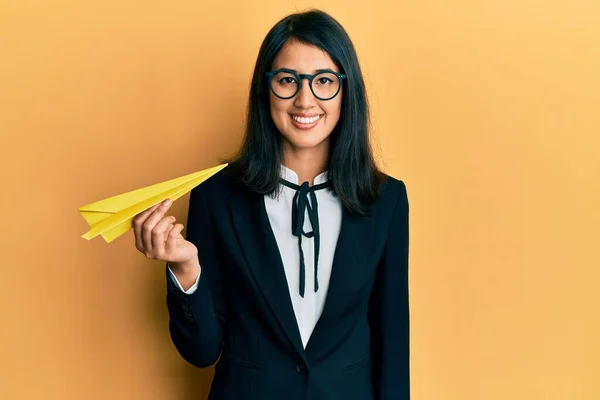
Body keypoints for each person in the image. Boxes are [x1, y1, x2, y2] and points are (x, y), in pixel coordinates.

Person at [132, 9, 410, 400]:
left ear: (347, 90)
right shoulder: (217, 197)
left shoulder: (387, 200)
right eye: (287, 80)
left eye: (324, 81)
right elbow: (201, 352)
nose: (304, 99)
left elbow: (392, 340)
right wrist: (185, 269)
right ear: (266, 89)